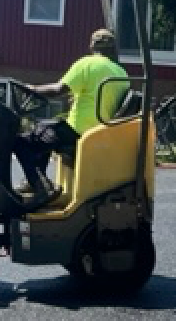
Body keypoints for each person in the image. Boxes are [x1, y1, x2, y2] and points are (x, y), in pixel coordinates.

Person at [12, 28, 129, 204]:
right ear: (113, 49)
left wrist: (32, 89)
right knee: (44, 130)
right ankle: (34, 182)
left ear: (92, 46)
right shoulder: (122, 74)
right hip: (101, 133)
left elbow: (57, 89)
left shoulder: (87, 64)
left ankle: (41, 187)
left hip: (77, 131)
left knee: (21, 143)